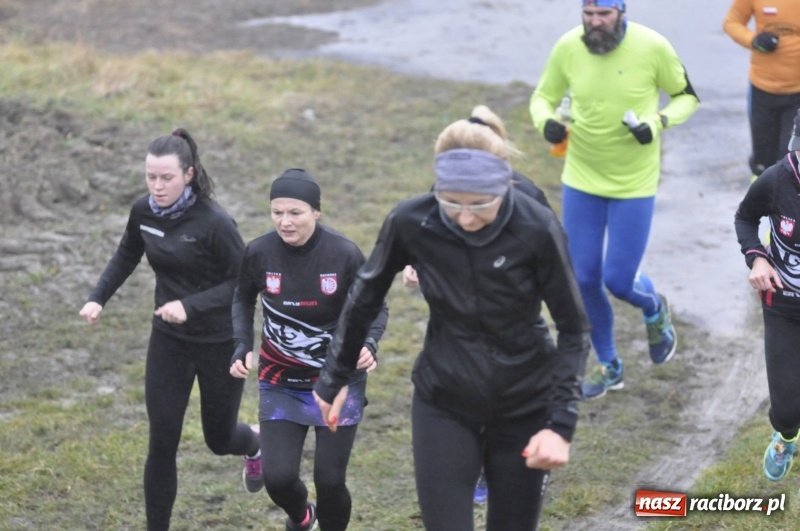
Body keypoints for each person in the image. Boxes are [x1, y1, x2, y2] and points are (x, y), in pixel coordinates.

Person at [313, 107, 592, 531]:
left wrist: (560, 424)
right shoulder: (413, 220)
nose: (465, 217)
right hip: (443, 400)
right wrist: (334, 377)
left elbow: (573, 328)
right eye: (451, 203)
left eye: (481, 204)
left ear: (504, 186)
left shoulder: (536, 227)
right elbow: (364, 298)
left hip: (525, 402)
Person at [78, 129, 260, 531]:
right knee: (162, 442)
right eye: (151, 177)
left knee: (219, 439)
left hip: (219, 342)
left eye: (166, 178)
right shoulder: (144, 212)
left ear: (188, 175)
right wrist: (98, 297)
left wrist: (188, 306)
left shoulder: (214, 223)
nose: (157, 187)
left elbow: (244, 283)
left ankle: (255, 443)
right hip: (169, 341)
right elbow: (127, 252)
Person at [529, 0, 699, 399]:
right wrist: (546, 123)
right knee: (583, 278)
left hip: (634, 184)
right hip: (581, 180)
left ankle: (654, 307)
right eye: (588, 15)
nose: (595, 22)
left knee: (619, 281)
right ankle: (609, 365)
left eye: (603, 15)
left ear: (621, 12)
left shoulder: (653, 46)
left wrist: (657, 122)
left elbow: (687, 97)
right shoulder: (568, 46)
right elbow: (542, 97)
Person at [400, 105, 555, 506]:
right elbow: (429, 238)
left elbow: (554, 258)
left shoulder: (527, 196)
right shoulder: (444, 190)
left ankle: (531, 450)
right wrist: (417, 267)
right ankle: (479, 460)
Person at [230, 168, 388, 531]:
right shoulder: (259, 252)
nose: (284, 222)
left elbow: (376, 307)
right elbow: (241, 298)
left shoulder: (344, 254)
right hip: (280, 379)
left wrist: (369, 343)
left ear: (316, 211)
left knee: (330, 481)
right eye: (277, 212)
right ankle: (303, 518)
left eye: (295, 212)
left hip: (337, 381)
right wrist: (242, 345)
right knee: (278, 479)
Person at [734, 109, 800, 482]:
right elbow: (745, 217)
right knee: (787, 411)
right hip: (783, 307)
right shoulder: (776, 179)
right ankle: (786, 437)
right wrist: (757, 257)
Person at [723, 0, 800, 178]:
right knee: (763, 160)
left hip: (797, 94)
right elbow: (731, 22)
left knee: (790, 159)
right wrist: (753, 40)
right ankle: (759, 193)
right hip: (762, 89)